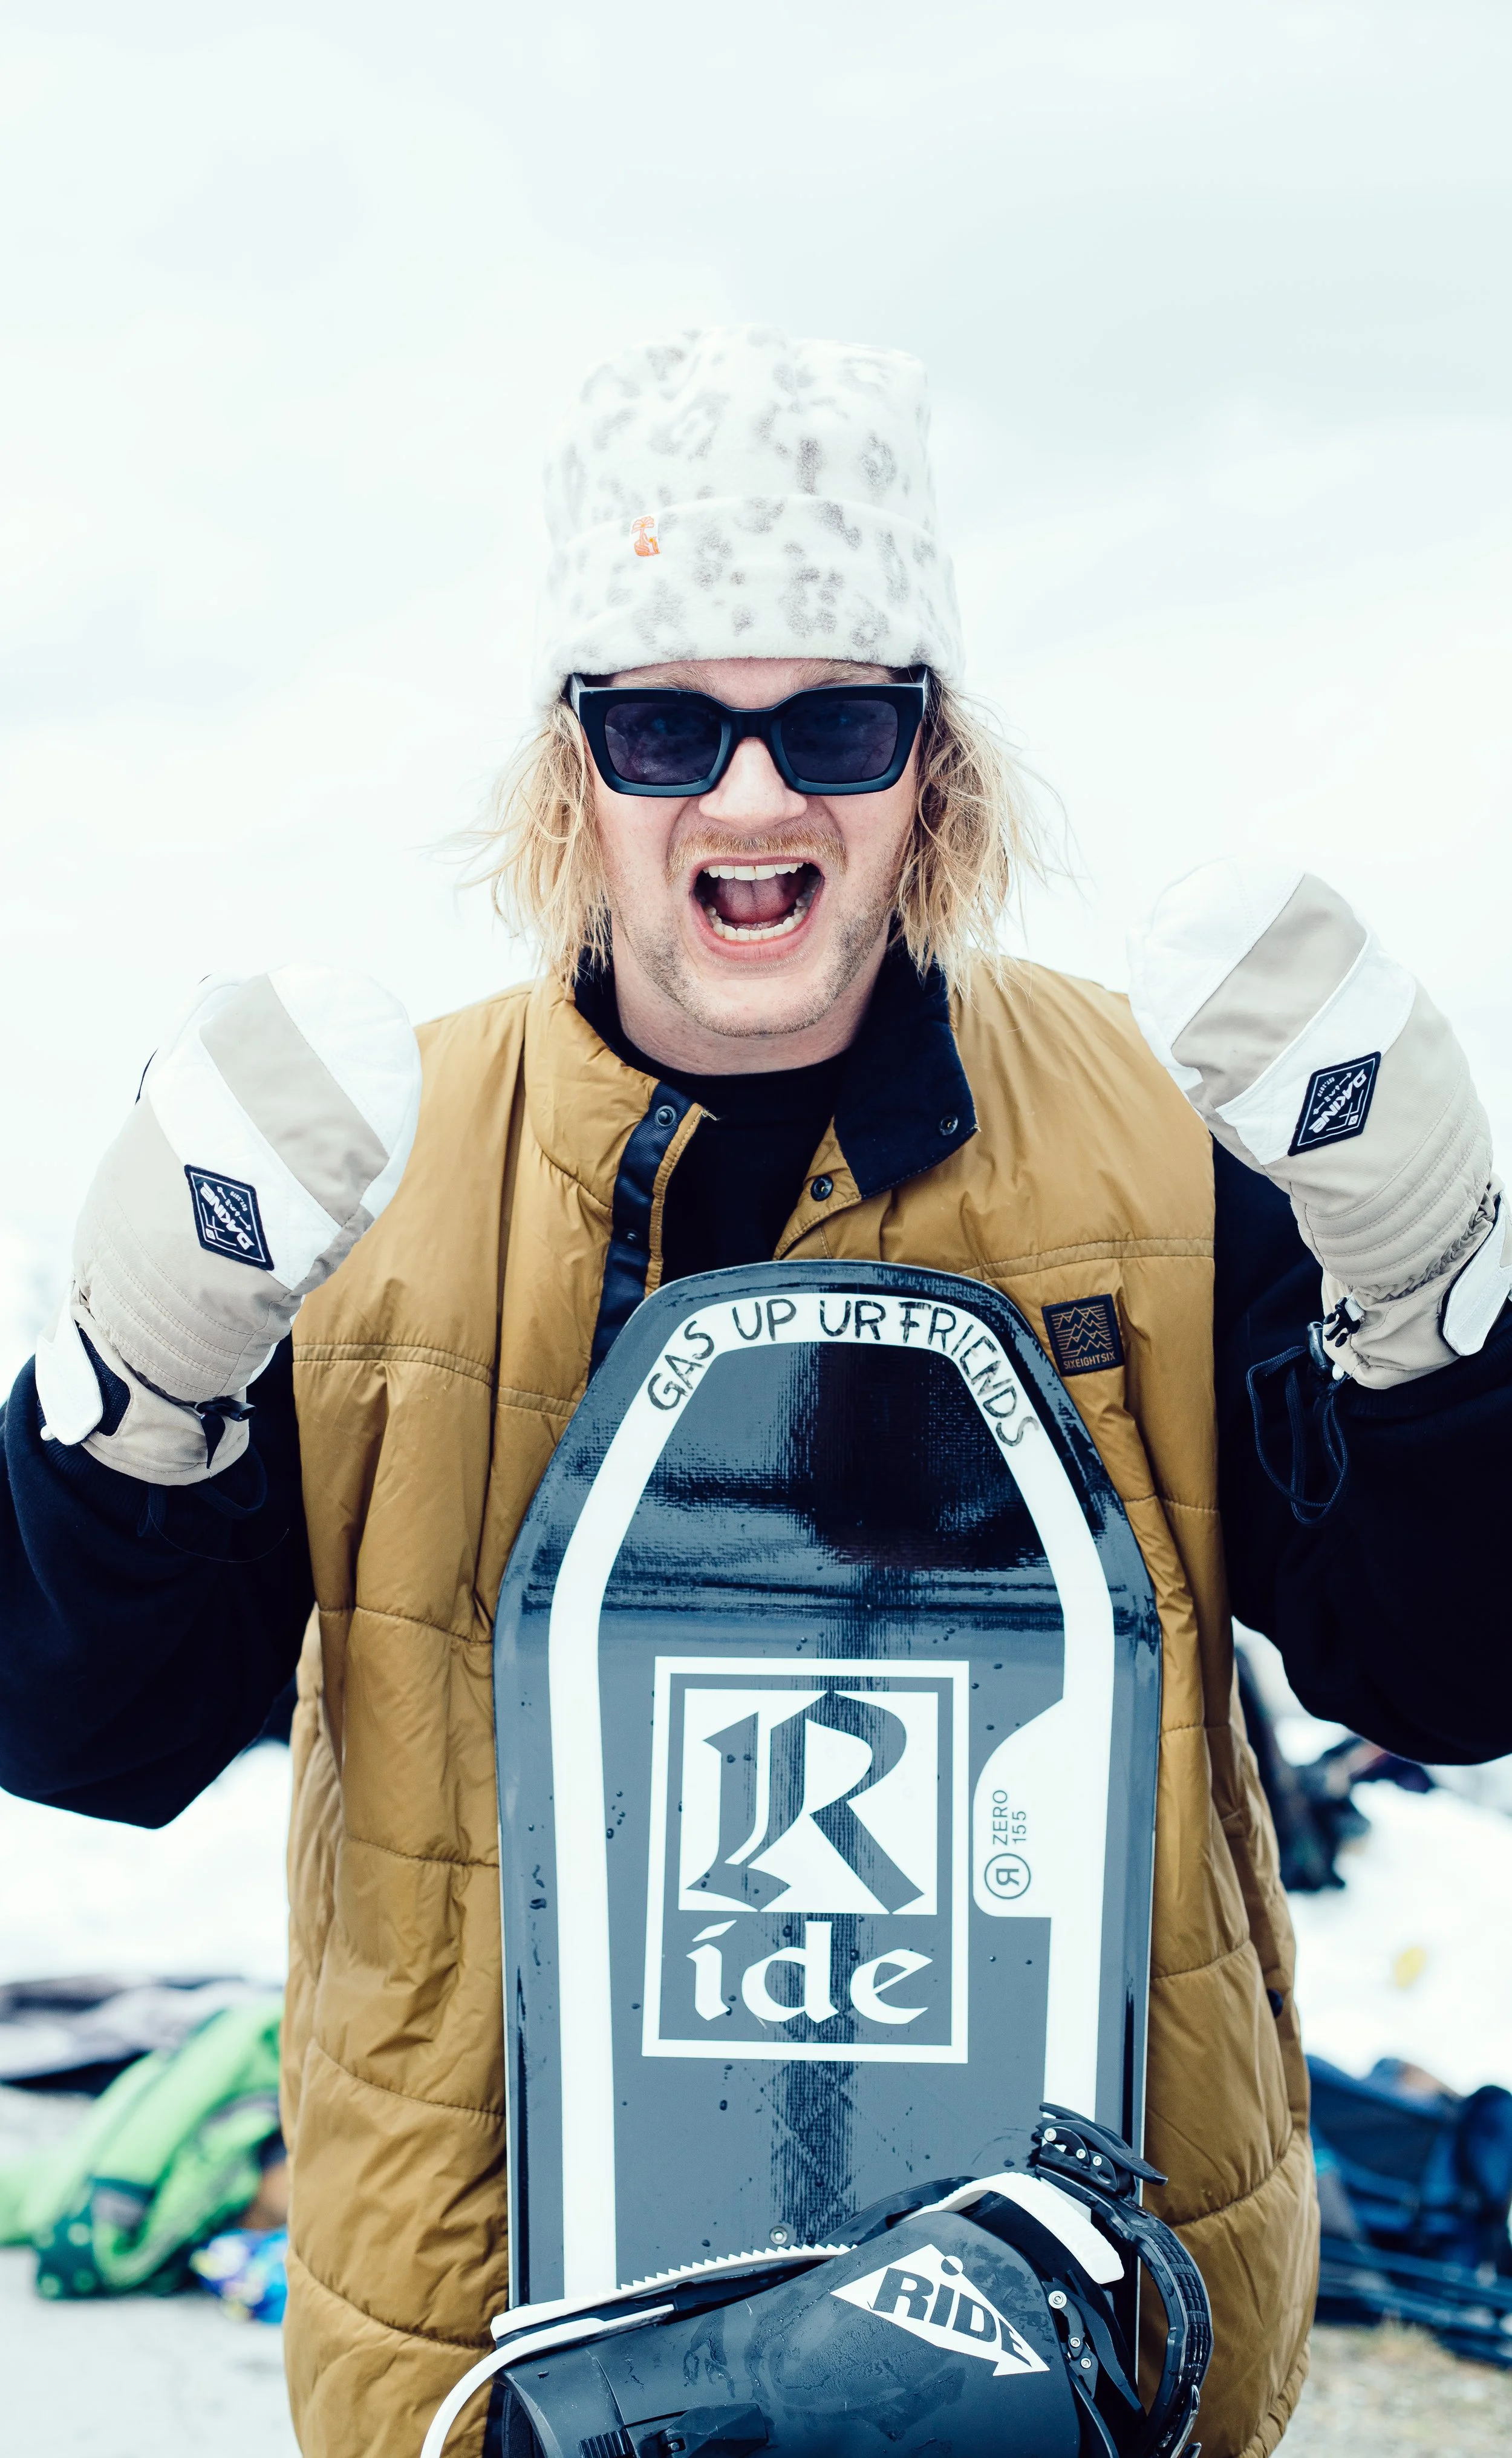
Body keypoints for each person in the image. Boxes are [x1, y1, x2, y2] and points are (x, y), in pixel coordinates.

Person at [2, 326, 1510, 2458]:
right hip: (484, 2368)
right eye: (662, 725)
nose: (749, 794)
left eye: (835, 719)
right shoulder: (374, 1180)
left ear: (936, 759)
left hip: (1078, 2372)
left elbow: (1449, 1670)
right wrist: (135, 1397)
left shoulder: (1160, 1150)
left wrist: (1432, 1301)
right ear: (569, 765)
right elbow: (94, 1737)